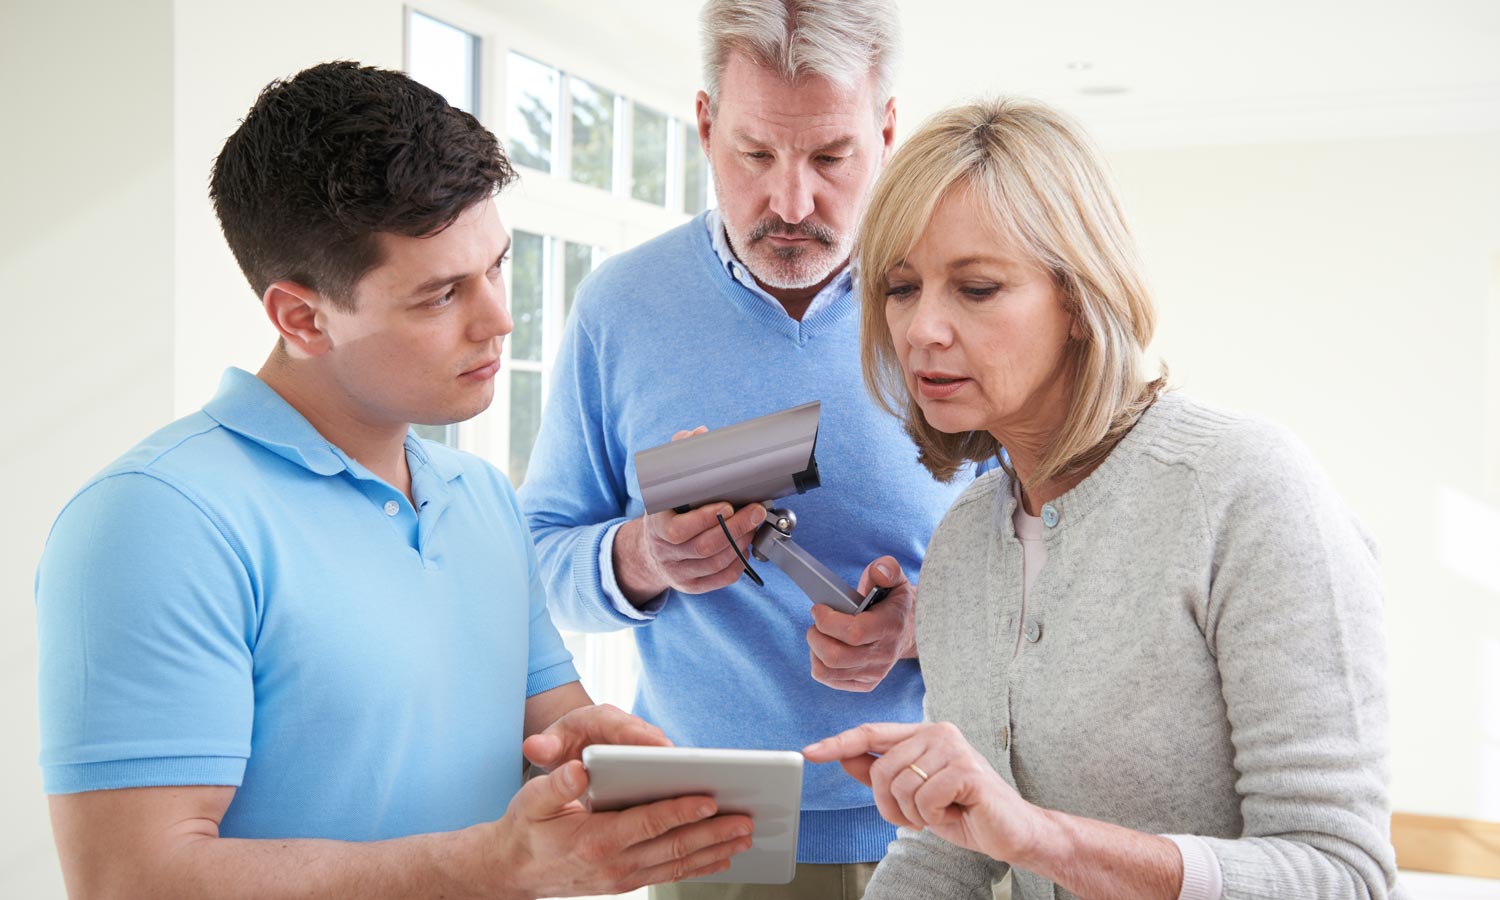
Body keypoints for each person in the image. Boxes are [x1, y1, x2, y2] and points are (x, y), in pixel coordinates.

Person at [35, 61, 755, 900]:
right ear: (302, 318)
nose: (499, 318)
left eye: (496, 266)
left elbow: (546, 731)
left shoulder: (481, 496)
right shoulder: (155, 521)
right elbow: (132, 880)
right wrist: (494, 864)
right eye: (443, 294)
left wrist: (595, 763)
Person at [802, 98, 1407, 900]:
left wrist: (1043, 839)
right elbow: (950, 852)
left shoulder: (1247, 492)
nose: (922, 330)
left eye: (977, 288)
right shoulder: (961, 545)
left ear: (1080, 302)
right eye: (902, 287)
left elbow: (1345, 875)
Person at [518, 1, 976, 896]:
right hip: (707, 829)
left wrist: (927, 624)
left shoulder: (961, 300)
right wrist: (642, 556)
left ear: (887, 131)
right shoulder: (619, 307)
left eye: (832, 157)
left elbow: (1048, 560)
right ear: (704, 124)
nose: (791, 202)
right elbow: (538, 557)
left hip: (934, 816)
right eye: (756, 154)